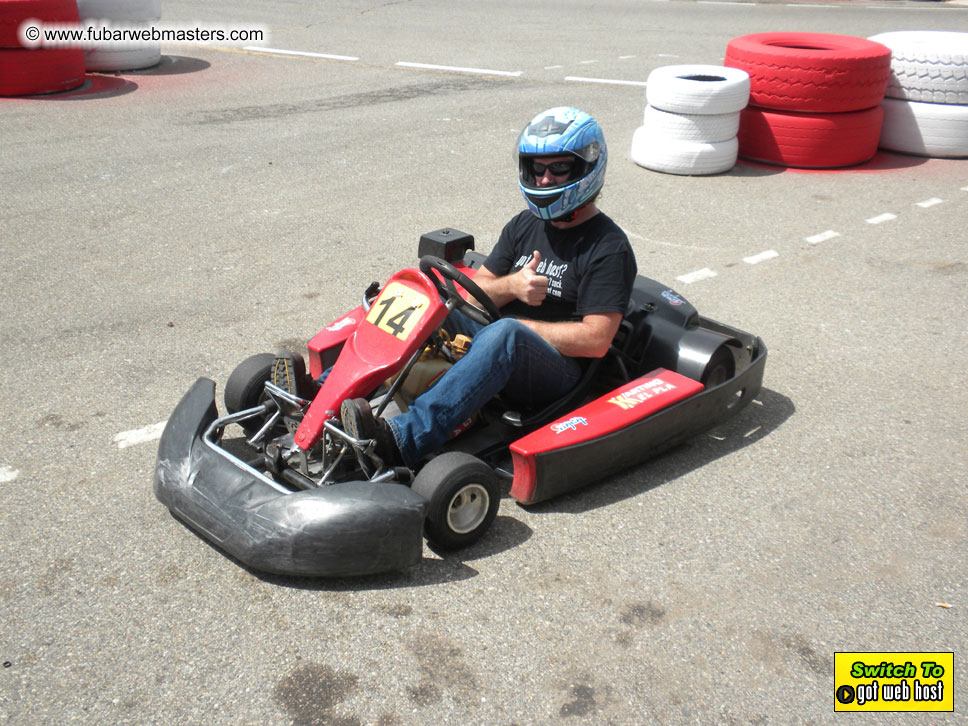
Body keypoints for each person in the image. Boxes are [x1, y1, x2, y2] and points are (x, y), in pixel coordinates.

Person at [339, 106, 638, 466]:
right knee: (424, 300)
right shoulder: (524, 224)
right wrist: (513, 285)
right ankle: (327, 392)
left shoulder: (608, 247)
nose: (544, 180)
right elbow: (477, 289)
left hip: (558, 373)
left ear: (586, 168)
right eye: (537, 169)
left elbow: (596, 340)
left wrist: (522, 328)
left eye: (559, 168)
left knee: (506, 333)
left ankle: (402, 439)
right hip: (498, 339)